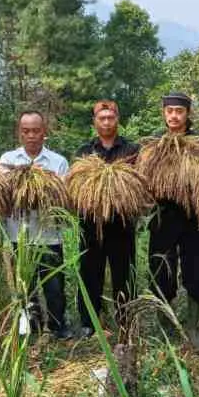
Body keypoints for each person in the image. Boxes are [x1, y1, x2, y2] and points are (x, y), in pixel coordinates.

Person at [147, 91, 199, 349]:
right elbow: (146, 176)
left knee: (196, 271)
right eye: (169, 111)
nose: (174, 116)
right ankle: (165, 325)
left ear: (188, 113)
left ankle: (192, 327)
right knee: (161, 270)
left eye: (179, 111)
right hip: (163, 216)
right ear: (163, 113)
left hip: (194, 218)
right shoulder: (154, 142)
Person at [0, 110, 71, 340]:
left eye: (36, 131)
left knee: (54, 286)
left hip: (49, 235)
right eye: (26, 131)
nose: (31, 135)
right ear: (19, 133)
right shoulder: (7, 160)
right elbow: (2, 195)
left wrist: (46, 185)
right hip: (18, 235)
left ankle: (58, 327)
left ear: (44, 132)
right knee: (24, 286)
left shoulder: (58, 162)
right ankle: (30, 326)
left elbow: (65, 198)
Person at [75, 100, 140, 338]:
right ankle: (89, 323)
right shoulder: (84, 151)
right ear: (94, 121)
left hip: (122, 223)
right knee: (90, 272)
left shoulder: (132, 150)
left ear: (117, 120)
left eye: (110, 117)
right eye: (101, 118)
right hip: (91, 223)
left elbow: (139, 182)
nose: (106, 122)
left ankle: (126, 321)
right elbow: (76, 185)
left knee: (124, 274)